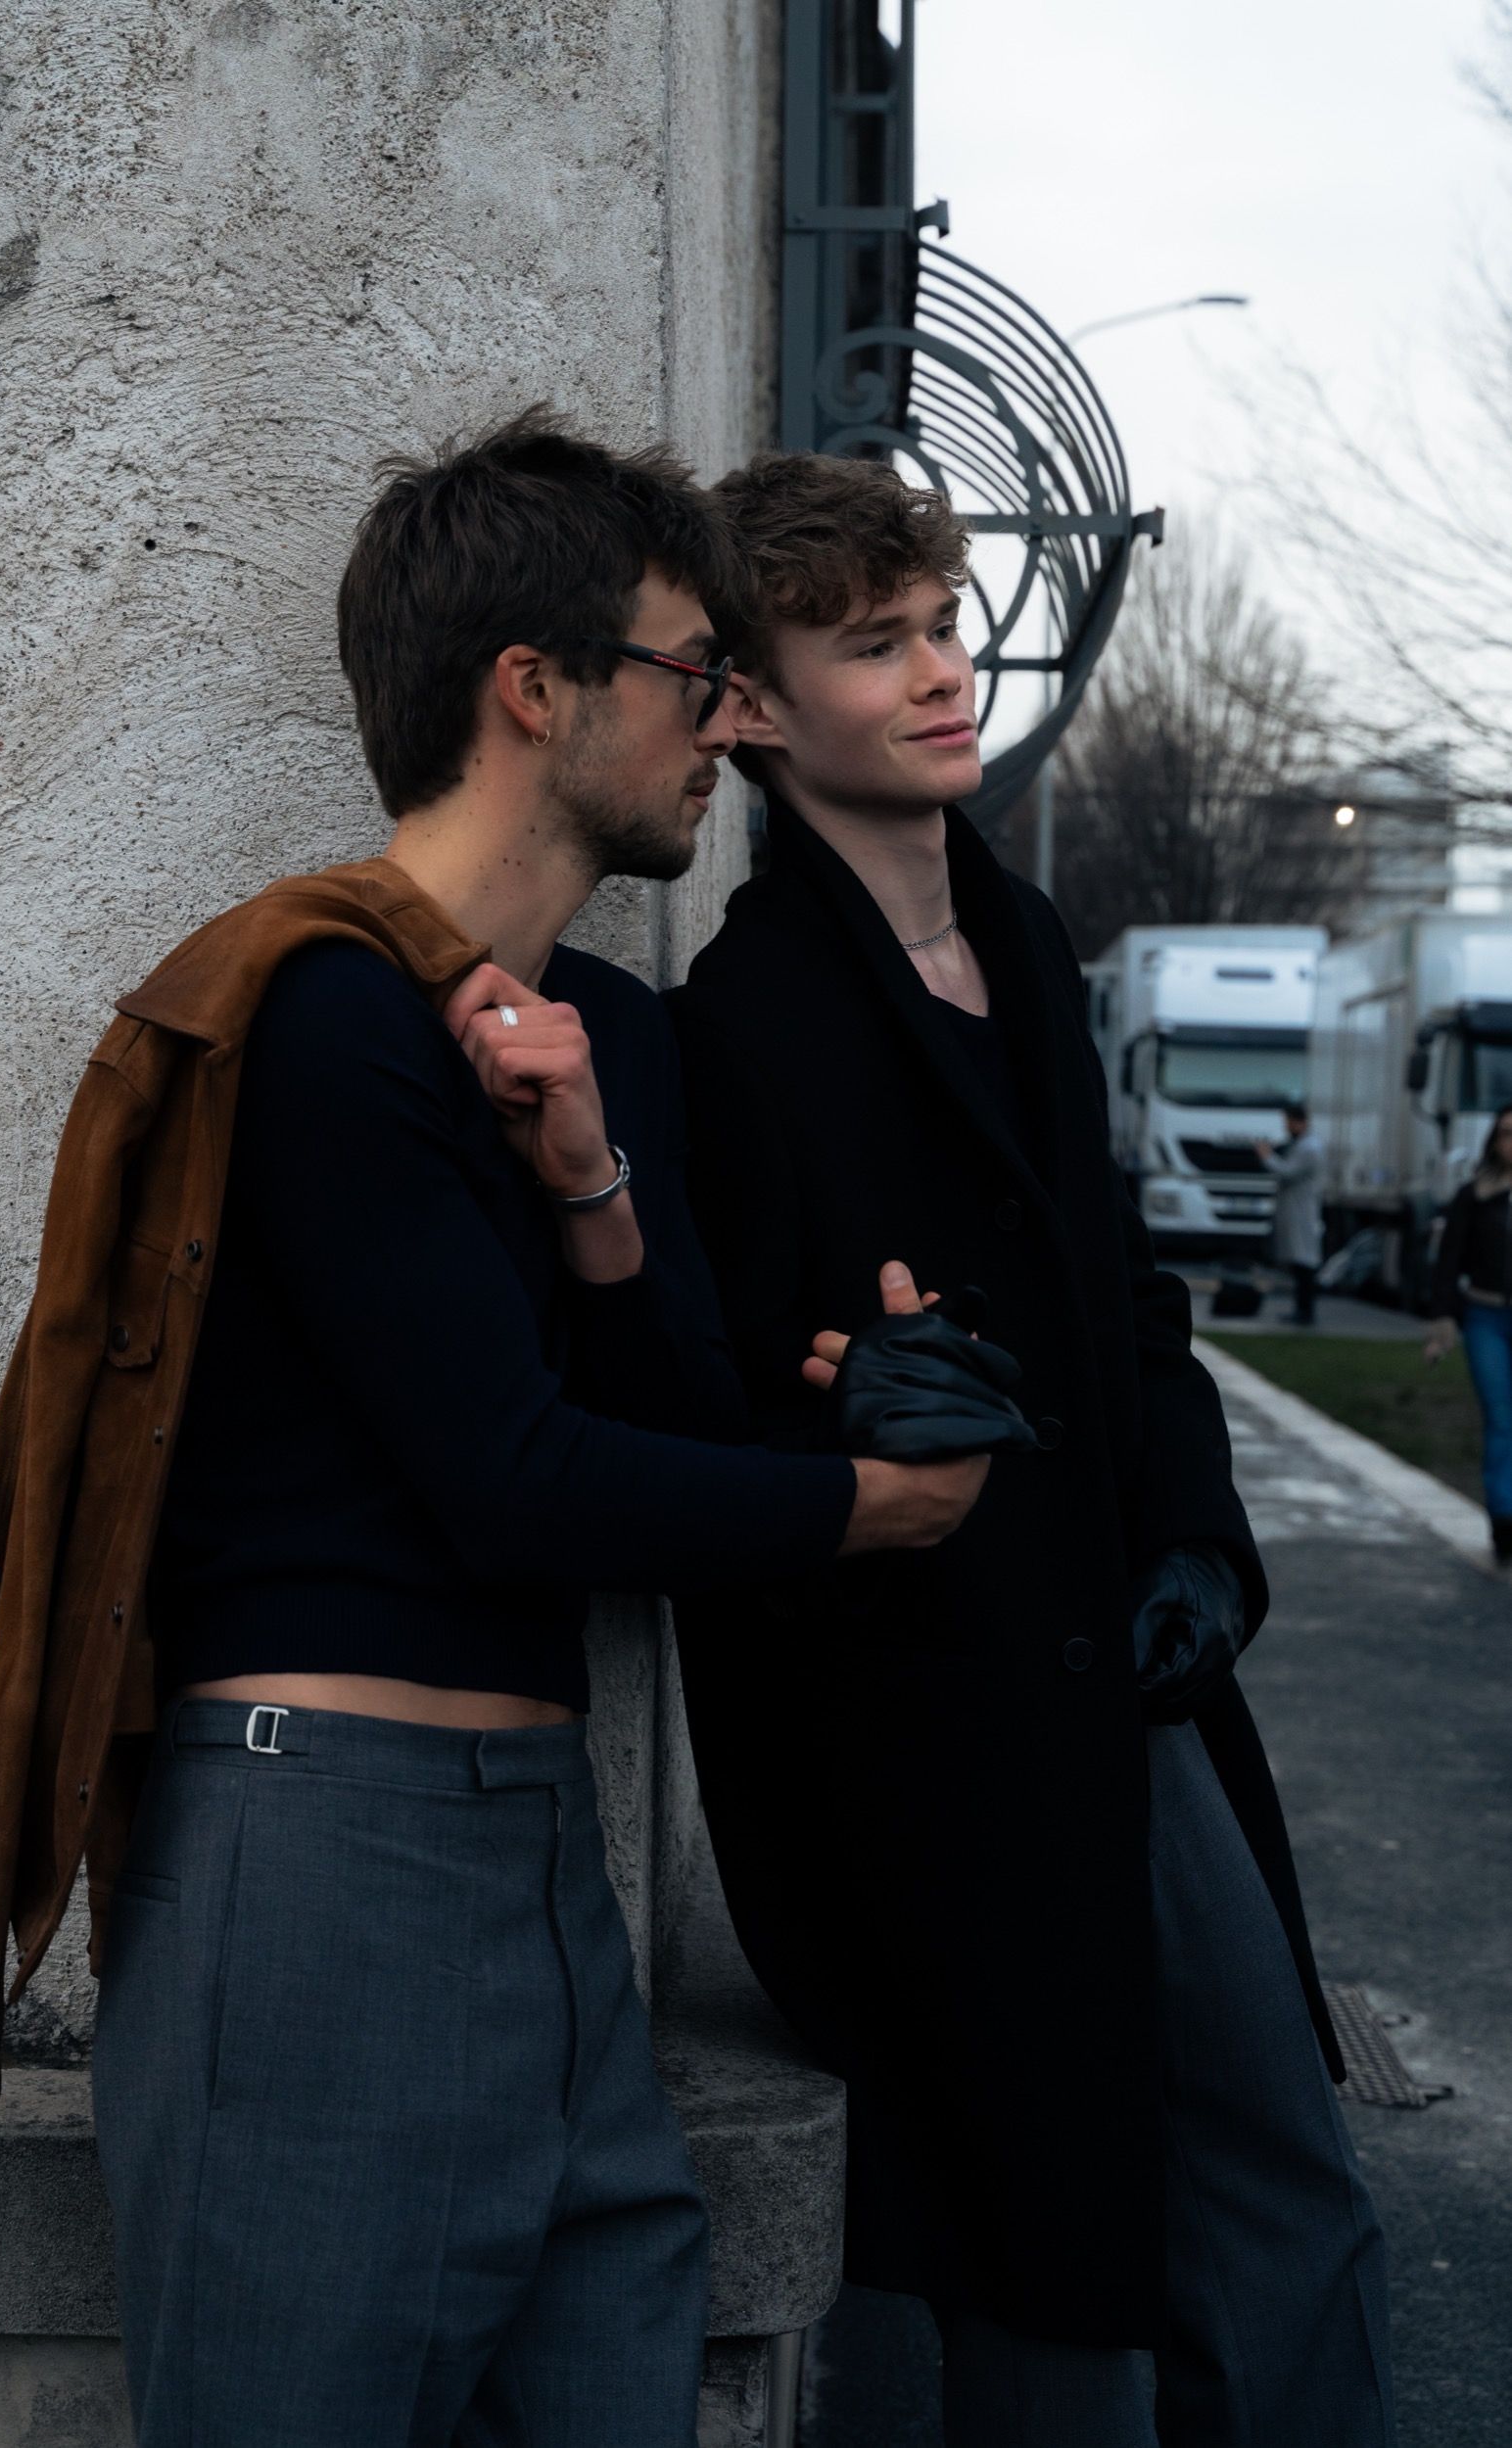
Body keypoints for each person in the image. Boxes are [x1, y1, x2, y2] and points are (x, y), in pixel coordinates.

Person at [0, 413, 987, 2448]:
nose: (727, 722)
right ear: (533, 687)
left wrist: (593, 1187)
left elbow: (664, 1423)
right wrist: (865, 1506)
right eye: (691, 671)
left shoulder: (611, 1036)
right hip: (320, 1848)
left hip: (539, 1855)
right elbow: (512, 1485)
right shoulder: (320, 1014)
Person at [667, 449, 1394, 2448]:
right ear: (749, 709)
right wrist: (849, 1406)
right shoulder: (742, 1022)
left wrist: (1201, 1547)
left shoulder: (1027, 947)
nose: (937, 672)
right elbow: (714, 1415)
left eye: (941, 624)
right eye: (870, 643)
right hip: (943, 1746)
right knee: (1040, 2267)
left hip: (1137, 1680)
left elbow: (1134, 1307)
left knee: (1279, 2180)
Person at [1425, 1103, 1512, 1560]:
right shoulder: (1475, 1196)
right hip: (1486, 1318)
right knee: (1500, 1417)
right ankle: (1504, 1518)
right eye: (1507, 1133)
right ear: (1494, 1142)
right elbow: (1448, 1264)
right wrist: (1442, 1326)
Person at [1257, 1100, 1326, 1325]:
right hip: (1297, 1210)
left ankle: (1305, 1311)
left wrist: (1267, 1156)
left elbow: (1287, 1172)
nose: (1286, 1127)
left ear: (1299, 1122)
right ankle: (1301, 1309)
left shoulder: (1309, 1148)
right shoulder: (1304, 1145)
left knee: (1304, 1261)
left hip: (1302, 1212)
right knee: (1300, 1261)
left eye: (1288, 1122)